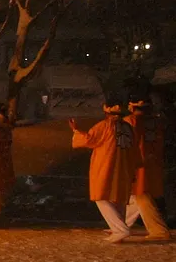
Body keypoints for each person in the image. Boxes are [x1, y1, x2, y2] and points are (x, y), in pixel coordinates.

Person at [71, 100, 140, 243]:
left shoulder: (105, 125)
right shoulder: (127, 127)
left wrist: (76, 131)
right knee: (118, 198)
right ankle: (119, 229)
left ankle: (120, 229)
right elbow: (135, 148)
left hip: (107, 165)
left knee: (101, 197)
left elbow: (89, 140)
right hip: (124, 166)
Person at [125, 94, 170, 240]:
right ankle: (121, 224)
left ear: (131, 106)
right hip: (153, 162)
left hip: (139, 162)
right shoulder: (155, 122)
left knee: (141, 195)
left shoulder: (131, 121)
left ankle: (159, 230)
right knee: (137, 196)